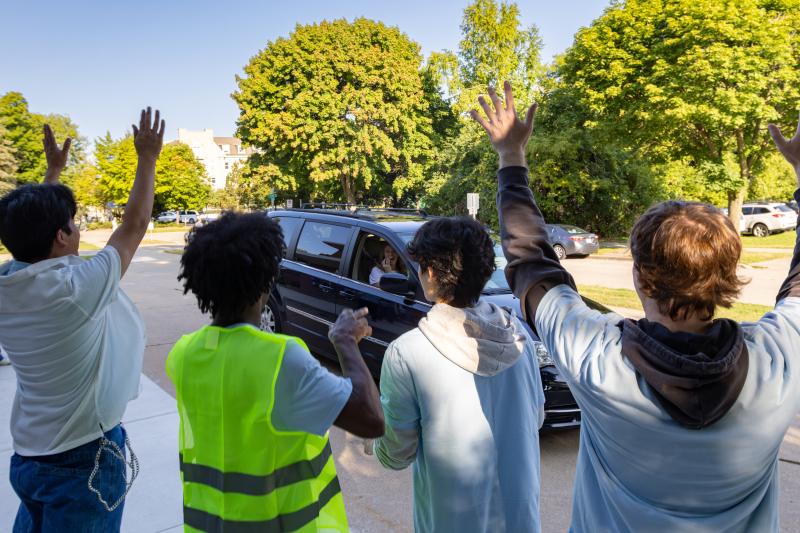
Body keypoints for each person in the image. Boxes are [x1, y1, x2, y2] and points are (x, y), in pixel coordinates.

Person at [473, 80, 800, 531]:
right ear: (727, 280)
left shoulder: (597, 357)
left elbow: (529, 262)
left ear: (641, 277)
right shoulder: (778, 357)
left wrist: (511, 157)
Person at [167, 212, 384, 532]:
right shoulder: (281, 359)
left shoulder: (183, 355)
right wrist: (346, 342)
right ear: (268, 280)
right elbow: (371, 420)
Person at [0, 109, 164, 532]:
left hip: (30, 459)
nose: (77, 232)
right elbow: (134, 225)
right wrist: (148, 157)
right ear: (61, 236)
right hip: (83, 461)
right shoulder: (76, 289)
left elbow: (28, 238)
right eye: (71, 225)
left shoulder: (8, 285)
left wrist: (52, 175)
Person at [372, 216, 546, 532]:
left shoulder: (408, 352)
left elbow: (396, 454)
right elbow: (535, 420)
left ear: (431, 274)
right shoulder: (522, 340)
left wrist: (371, 440)